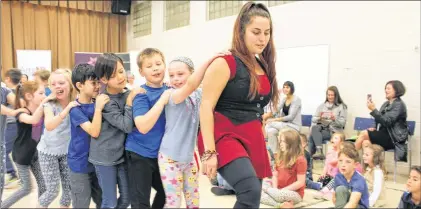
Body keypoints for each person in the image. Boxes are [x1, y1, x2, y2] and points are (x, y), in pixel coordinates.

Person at [199, 2, 280, 208]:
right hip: (223, 134)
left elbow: (257, 109)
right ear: (241, 30)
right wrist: (209, 153)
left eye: (267, 33)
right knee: (250, 191)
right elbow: (206, 106)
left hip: (252, 135)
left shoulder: (262, 63)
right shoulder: (224, 62)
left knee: (252, 199)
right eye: (256, 32)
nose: (262, 38)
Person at [158, 55, 228, 207]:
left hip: (189, 159)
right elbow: (190, 85)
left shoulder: (198, 95)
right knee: (173, 204)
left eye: (180, 74)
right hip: (169, 159)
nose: (175, 79)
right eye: (171, 75)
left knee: (194, 202)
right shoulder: (171, 95)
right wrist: (211, 59)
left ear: (191, 73)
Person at [91, 53, 142, 209]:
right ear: (104, 80)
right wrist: (129, 102)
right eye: (114, 75)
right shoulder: (105, 100)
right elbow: (126, 125)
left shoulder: (127, 93)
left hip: (120, 156)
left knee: (126, 199)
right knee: (110, 201)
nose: (121, 77)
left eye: (121, 71)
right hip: (104, 158)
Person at [125, 48, 169, 209]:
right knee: (140, 202)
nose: (155, 68)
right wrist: (163, 100)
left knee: (167, 193)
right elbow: (142, 126)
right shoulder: (141, 94)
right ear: (141, 72)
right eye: (149, 66)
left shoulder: (170, 90)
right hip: (139, 153)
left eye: (158, 63)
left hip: (161, 155)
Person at [1, 81, 48, 208]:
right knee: (27, 188)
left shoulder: (40, 110)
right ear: (29, 96)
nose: (44, 96)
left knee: (43, 185)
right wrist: (44, 104)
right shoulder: (22, 113)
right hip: (21, 156)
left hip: (34, 154)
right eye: (41, 93)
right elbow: (33, 120)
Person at [69, 64, 109, 208]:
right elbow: (94, 131)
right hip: (80, 166)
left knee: (103, 202)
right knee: (81, 204)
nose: (98, 86)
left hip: (98, 164)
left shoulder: (98, 103)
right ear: (79, 85)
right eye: (93, 83)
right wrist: (98, 108)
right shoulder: (75, 109)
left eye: (99, 82)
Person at [36, 69, 77, 208]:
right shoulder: (49, 104)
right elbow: (49, 125)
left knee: (69, 191)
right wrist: (66, 110)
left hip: (66, 151)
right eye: (53, 84)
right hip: (47, 152)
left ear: (70, 85)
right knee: (53, 191)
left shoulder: (75, 102)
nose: (57, 86)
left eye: (61, 82)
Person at [355, 80, 409, 161]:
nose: (386, 91)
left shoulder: (399, 105)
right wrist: (374, 127)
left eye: (388, 88)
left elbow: (387, 122)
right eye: (385, 88)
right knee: (365, 142)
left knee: (363, 134)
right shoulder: (386, 104)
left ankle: (350, 158)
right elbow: (379, 119)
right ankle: (369, 169)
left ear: (396, 90)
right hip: (383, 134)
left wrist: (373, 109)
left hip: (393, 138)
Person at [260, 130, 306, 207]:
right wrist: (275, 189)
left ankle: (272, 195)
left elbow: (300, 182)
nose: (280, 144)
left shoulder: (300, 159)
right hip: (277, 190)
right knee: (258, 189)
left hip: (293, 193)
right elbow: (275, 176)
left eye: (282, 141)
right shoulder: (280, 157)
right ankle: (279, 205)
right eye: (280, 141)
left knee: (277, 194)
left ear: (291, 143)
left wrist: (281, 191)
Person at [265, 81, 302, 160]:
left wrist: (275, 119)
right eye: (284, 87)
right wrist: (268, 115)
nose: (285, 89)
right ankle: (273, 155)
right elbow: (276, 110)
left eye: (287, 87)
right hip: (284, 125)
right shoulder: (284, 99)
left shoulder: (296, 100)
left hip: (293, 126)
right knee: (271, 131)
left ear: (292, 88)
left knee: (269, 123)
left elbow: (290, 117)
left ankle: (262, 139)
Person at [308, 86, 347, 159]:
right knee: (314, 129)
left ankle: (310, 161)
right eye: (328, 95)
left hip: (334, 131)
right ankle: (318, 153)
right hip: (322, 129)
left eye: (332, 95)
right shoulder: (321, 106)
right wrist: (319, 118)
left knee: (311, 137)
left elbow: (342, 123)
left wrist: (334, 119)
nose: (330, 97)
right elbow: (313, 119)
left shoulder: (342, 107)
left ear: (336, 95)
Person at [3, 69, 22, 186]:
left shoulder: (7, 92)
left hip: (12, 125)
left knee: (4, 150)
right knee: (15, 151)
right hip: (19, 124)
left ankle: (12, 174)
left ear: (8, 79)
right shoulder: (21, 91)